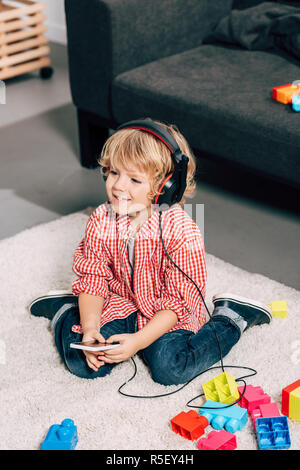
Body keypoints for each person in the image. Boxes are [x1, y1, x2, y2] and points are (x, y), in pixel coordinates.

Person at [29, 118, 272, 385]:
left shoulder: (182, 231)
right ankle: (66, 310)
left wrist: (139, 341)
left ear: (166, 187)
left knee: (170, 370)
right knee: (83, 362)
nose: (119, 186)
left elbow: (178, 302)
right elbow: (93, 278)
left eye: (134, 179)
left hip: (165, 315)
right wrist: (89, 328)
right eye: (113, 173)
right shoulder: (101, 219)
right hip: (120, 302)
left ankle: (232, 316)